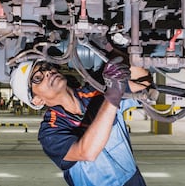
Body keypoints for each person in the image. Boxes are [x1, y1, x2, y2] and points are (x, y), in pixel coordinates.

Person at [10, 57, 149, 185]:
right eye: (38, 78)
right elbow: (86, 152)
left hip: (133, 180)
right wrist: (112, 95)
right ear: (37, 100)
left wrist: (116, 51)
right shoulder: (50, 131)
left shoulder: (96, 91)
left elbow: (143, 84)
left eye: (46, 67)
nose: (48, 72)